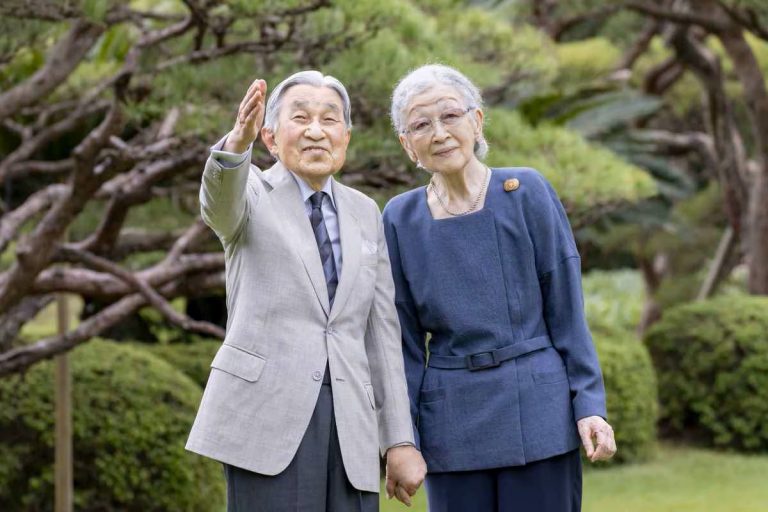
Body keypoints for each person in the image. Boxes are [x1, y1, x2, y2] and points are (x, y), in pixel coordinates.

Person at [186, 70, 426, 512]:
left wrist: (399, 439)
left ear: (346, 137)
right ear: (272, 138)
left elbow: (382, 334)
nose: (316, 131)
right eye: (301, 117)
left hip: (352, 424)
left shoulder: (365, 212)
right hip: (266, 418)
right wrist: (237, 144)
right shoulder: (251, 192)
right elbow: (217, 204)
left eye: (329, 119)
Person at [382, 64, 617, 512]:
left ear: (477, 121)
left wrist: (589, 405)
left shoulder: (525, 191)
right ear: (406, 144)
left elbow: (568, 314)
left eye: (450, 116)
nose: (439, 133)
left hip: (538, 408)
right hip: (451, 420)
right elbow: (402, 345)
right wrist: (402, 439)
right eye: (421, 124)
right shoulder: (399, 218)